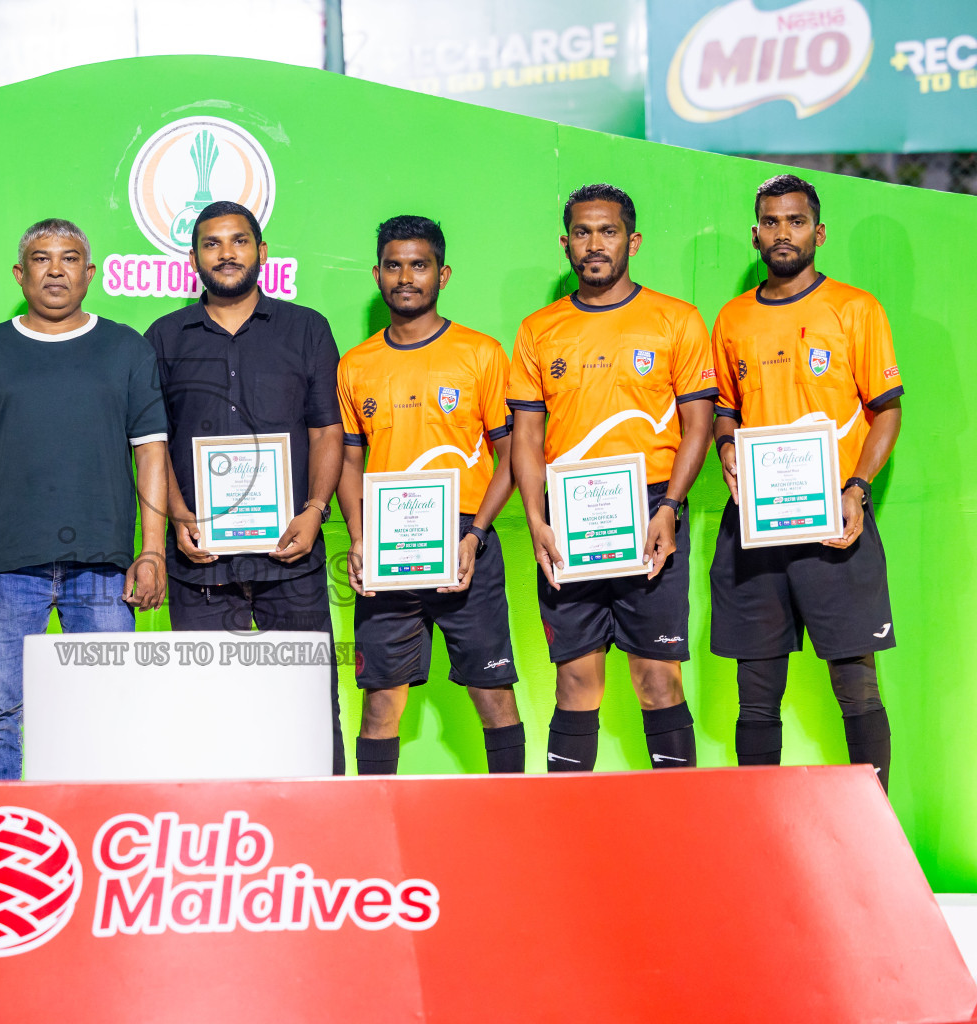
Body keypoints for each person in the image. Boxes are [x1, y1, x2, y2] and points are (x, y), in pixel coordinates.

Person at [0, 218, 168, 780]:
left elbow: (150, 454)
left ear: (89, 274)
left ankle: (104, 830)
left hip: (104, 567)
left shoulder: (125, 348)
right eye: (41, 259)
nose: (55, 269)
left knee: (111, 707)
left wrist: (152, 552)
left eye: (68, 258)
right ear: (20, 274)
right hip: (7, 567)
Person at [508, 183, 717, 771]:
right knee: (575, 683)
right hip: (566, 515)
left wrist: (671, 507)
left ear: (633, 240)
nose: (594, 244)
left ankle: (678, 831)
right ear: (565, 244)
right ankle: (568, 840)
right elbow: (525, 436)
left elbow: (697, 422)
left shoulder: (676, 319)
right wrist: (534, 520)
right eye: (581, 232)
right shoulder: (538, 329)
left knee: (658, 680)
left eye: (607, 231)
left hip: (651, 510)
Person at [710, 174, 903, 790]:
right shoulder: (733, 318)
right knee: (757, 692)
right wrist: (724, 447)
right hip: (757, 525)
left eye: (795, 221)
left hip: (836, 522)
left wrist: (858, 488)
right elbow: (726, 409)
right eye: (770, 222)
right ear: (755, 234)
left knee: (856, 683)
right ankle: (760, 841)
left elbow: (887, 410)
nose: (782, 233)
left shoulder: (856, 308)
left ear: (817, 232)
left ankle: (877, 841)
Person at [145, 200, 346, 775]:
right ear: (192, 258)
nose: (226, 253)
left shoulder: (306, 329)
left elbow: (327, 428)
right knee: (206, 714)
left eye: (238, 241)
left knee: (308, 707)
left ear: (262, 252)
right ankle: (218, 840)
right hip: (201, 565)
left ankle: (324, 833)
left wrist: (314, 509)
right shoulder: (163, 337)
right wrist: (178, 516)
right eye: (212, 243)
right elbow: (153, 442)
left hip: (292, 556)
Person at [335, 216, 522, 775]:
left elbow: (512, 457)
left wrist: (476, 534)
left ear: (443, 274)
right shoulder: (356, 364)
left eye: (419, 265)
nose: (406, 277)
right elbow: (348, 460)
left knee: (494, 695)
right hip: (388, 551)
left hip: (468, 546)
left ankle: (517, 822)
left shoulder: (481, 354)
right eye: (394, 266)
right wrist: (361, 538)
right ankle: (374, 826)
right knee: (380, 704)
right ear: (377, 274)